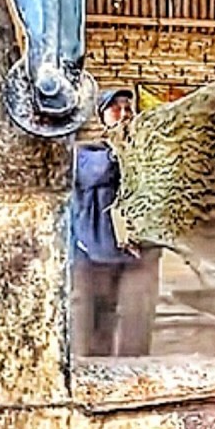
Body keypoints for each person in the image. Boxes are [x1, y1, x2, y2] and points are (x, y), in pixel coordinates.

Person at [71, 89, 160, 357]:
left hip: (138, 257)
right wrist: (123, 149)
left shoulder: (148, 156)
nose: (123, 114)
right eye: (115, 108)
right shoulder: (86, 153)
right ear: (102, 117)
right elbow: (97, 172)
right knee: (92, 329)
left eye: (128, 108)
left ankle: (136, 372)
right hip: (92, 255)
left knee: (137, 320)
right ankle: (95, 372)